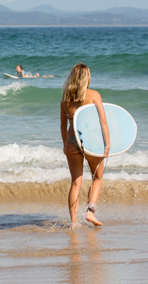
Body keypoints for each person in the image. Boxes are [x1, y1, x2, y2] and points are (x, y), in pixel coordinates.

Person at [60, 63, 110, 227]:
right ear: (87, 78)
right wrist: (107, 144)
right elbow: (103, 121)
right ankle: (90, 212)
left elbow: (63, 127)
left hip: (71, 142)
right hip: (90, 141)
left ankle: (74, 221)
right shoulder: (94, 95)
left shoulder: (65, 99)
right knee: (97, 177)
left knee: (75, 182)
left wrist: (65, 145)